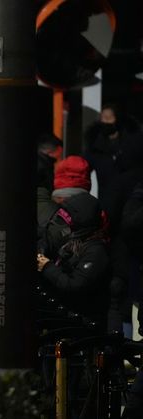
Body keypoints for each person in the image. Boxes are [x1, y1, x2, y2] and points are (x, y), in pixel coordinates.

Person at [37, 193, 110, 327]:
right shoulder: (75, 239)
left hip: (84, 323)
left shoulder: (96, 251)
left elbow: (75, 285)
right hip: (66, 315)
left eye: (68, 217)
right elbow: (48, 239)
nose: (64, 221)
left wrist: (47, 267)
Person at [84, 103, 143, 208]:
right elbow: (84, 167)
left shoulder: (134, 143)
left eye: (108, 118)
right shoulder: (95, 145)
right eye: (102, 118)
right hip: (107, 200)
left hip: (131, 200)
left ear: (118, 119)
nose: (105, 122)